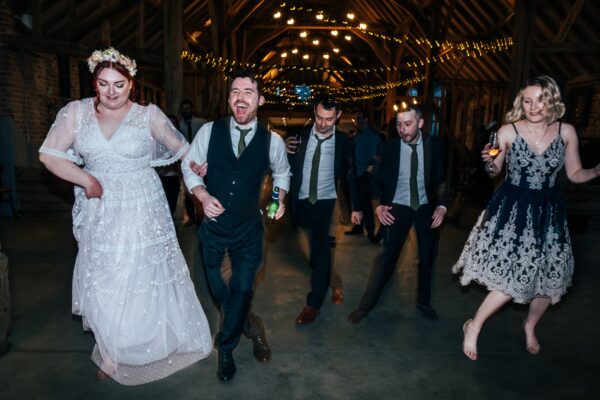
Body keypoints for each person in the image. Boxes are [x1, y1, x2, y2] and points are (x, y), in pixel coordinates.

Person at [38, 47, 212, 385]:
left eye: (119, 84)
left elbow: (184, 151)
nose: (111, 92)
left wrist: (198, 168)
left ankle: (140, 343)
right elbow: (48, 155)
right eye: (104, 84)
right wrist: (85, 179)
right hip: (100, 208)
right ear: (95, 83)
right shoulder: (76, 113)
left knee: (137, 276)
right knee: (105, 277)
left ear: (131, 84)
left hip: (141, 205)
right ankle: (112, 349)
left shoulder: (149, 116)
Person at [453, 75, 600, 361]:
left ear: (552, 101)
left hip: (549, 211)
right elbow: (494, 171)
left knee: (551, 278)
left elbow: (573, 174)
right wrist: (489, 161)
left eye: (540, 100)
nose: (533, 106)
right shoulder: (508, 131)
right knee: (513, 277)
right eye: (527, 100)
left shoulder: (566, 131)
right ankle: (474, 326)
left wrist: (594, 172)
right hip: (515, 208)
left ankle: (530, 325)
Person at [181, 69, 291, 382]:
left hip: (248, 231)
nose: (240, 97)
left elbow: (282, 174)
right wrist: (201, 193)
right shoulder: (208, 132)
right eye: (235, 91)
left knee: (242, 288)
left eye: (248, 92)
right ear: (229, 99)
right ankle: (253, 328)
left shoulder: (273, 142)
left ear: (260, 100)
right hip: (213, 230)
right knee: (220, 291)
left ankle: (226, 349)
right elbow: (189, 167)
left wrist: (279, 199)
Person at [347, 105, 448, 324]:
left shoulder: (435, 146)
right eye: (399, 124)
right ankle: (364, 307)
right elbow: (376, 182)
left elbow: (441, 179)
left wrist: (441, 205)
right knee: (386, 258)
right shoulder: (390, 148)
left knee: (427, 257)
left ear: (420, 123)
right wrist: (377, 206)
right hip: (397, 207)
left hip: (425, 208)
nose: (402, 129)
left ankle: (424, 302)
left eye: (408, 124)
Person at [285, 94, 361, 325]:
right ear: (314, 113)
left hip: (327, 202)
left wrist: (356, 207)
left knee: (319, 250)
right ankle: (333, 281)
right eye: (319, 117)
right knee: (310, 253)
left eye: (329, 119)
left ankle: (314, 303)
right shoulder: (298, 138)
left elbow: (350, 175)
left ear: (338, 116)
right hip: (300, 201)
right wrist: (284, 150)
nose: (323, 123)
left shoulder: (344, 142)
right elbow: (283, 168)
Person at [345, 109, 381, 242]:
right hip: (355, 172)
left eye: (359, 118)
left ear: (366, 119)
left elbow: (374, 156)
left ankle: (370, 230)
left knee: (365, 203)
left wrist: (367, 172)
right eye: (357, 118)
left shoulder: (371, 135)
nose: (357, 121)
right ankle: (358, 227)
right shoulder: (359, 134)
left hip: (363, 174)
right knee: (357, 202)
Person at [179, 99, 207, 225]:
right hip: (186, 161)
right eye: (183, 109)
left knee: (202, 187)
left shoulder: (201, 123)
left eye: (187, 108)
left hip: (202, 160)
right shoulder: (179, 125)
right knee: (188, 190)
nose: (185, 111)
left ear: (192, 109)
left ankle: (203, 214)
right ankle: (191, 216)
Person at [156, 114, 183, 216]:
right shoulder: (158, 140)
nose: (172, 126)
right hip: (161, 179)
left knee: (172, 206)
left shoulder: (181, 141)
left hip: (175, 179)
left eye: (174, 124)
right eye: (169, 123)